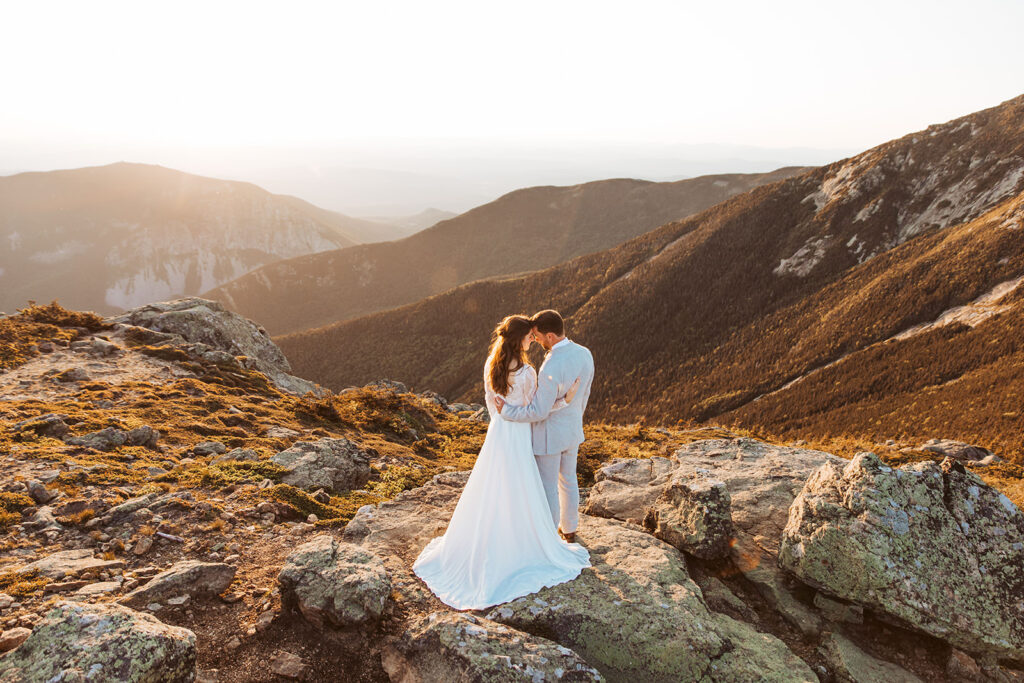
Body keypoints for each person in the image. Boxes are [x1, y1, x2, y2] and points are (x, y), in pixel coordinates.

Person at [412, 314, 590, 610]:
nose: (533, 340)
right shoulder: (527, 372)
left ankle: (492, 535)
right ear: (521, 339)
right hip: (519, 433)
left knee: (492, 485)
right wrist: (566, 399)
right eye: (530, 337)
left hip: (499, 434)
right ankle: (531, 536)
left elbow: (490, 401)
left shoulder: (491, 364)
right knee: (523, 486)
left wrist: (501, 420)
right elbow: (538, 409)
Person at [494, 309, 595, 543]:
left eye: (538, 336)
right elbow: (585, 393)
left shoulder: (551, 366)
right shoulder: (585, 353)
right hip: (572, 430)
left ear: (550, 336)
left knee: (548, 487)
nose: (536, 340)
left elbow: (538, 411)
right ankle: (569, 528)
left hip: (549, 435)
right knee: (569, 479)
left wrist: (507, 411)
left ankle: (549, 537)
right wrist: (574, 416)